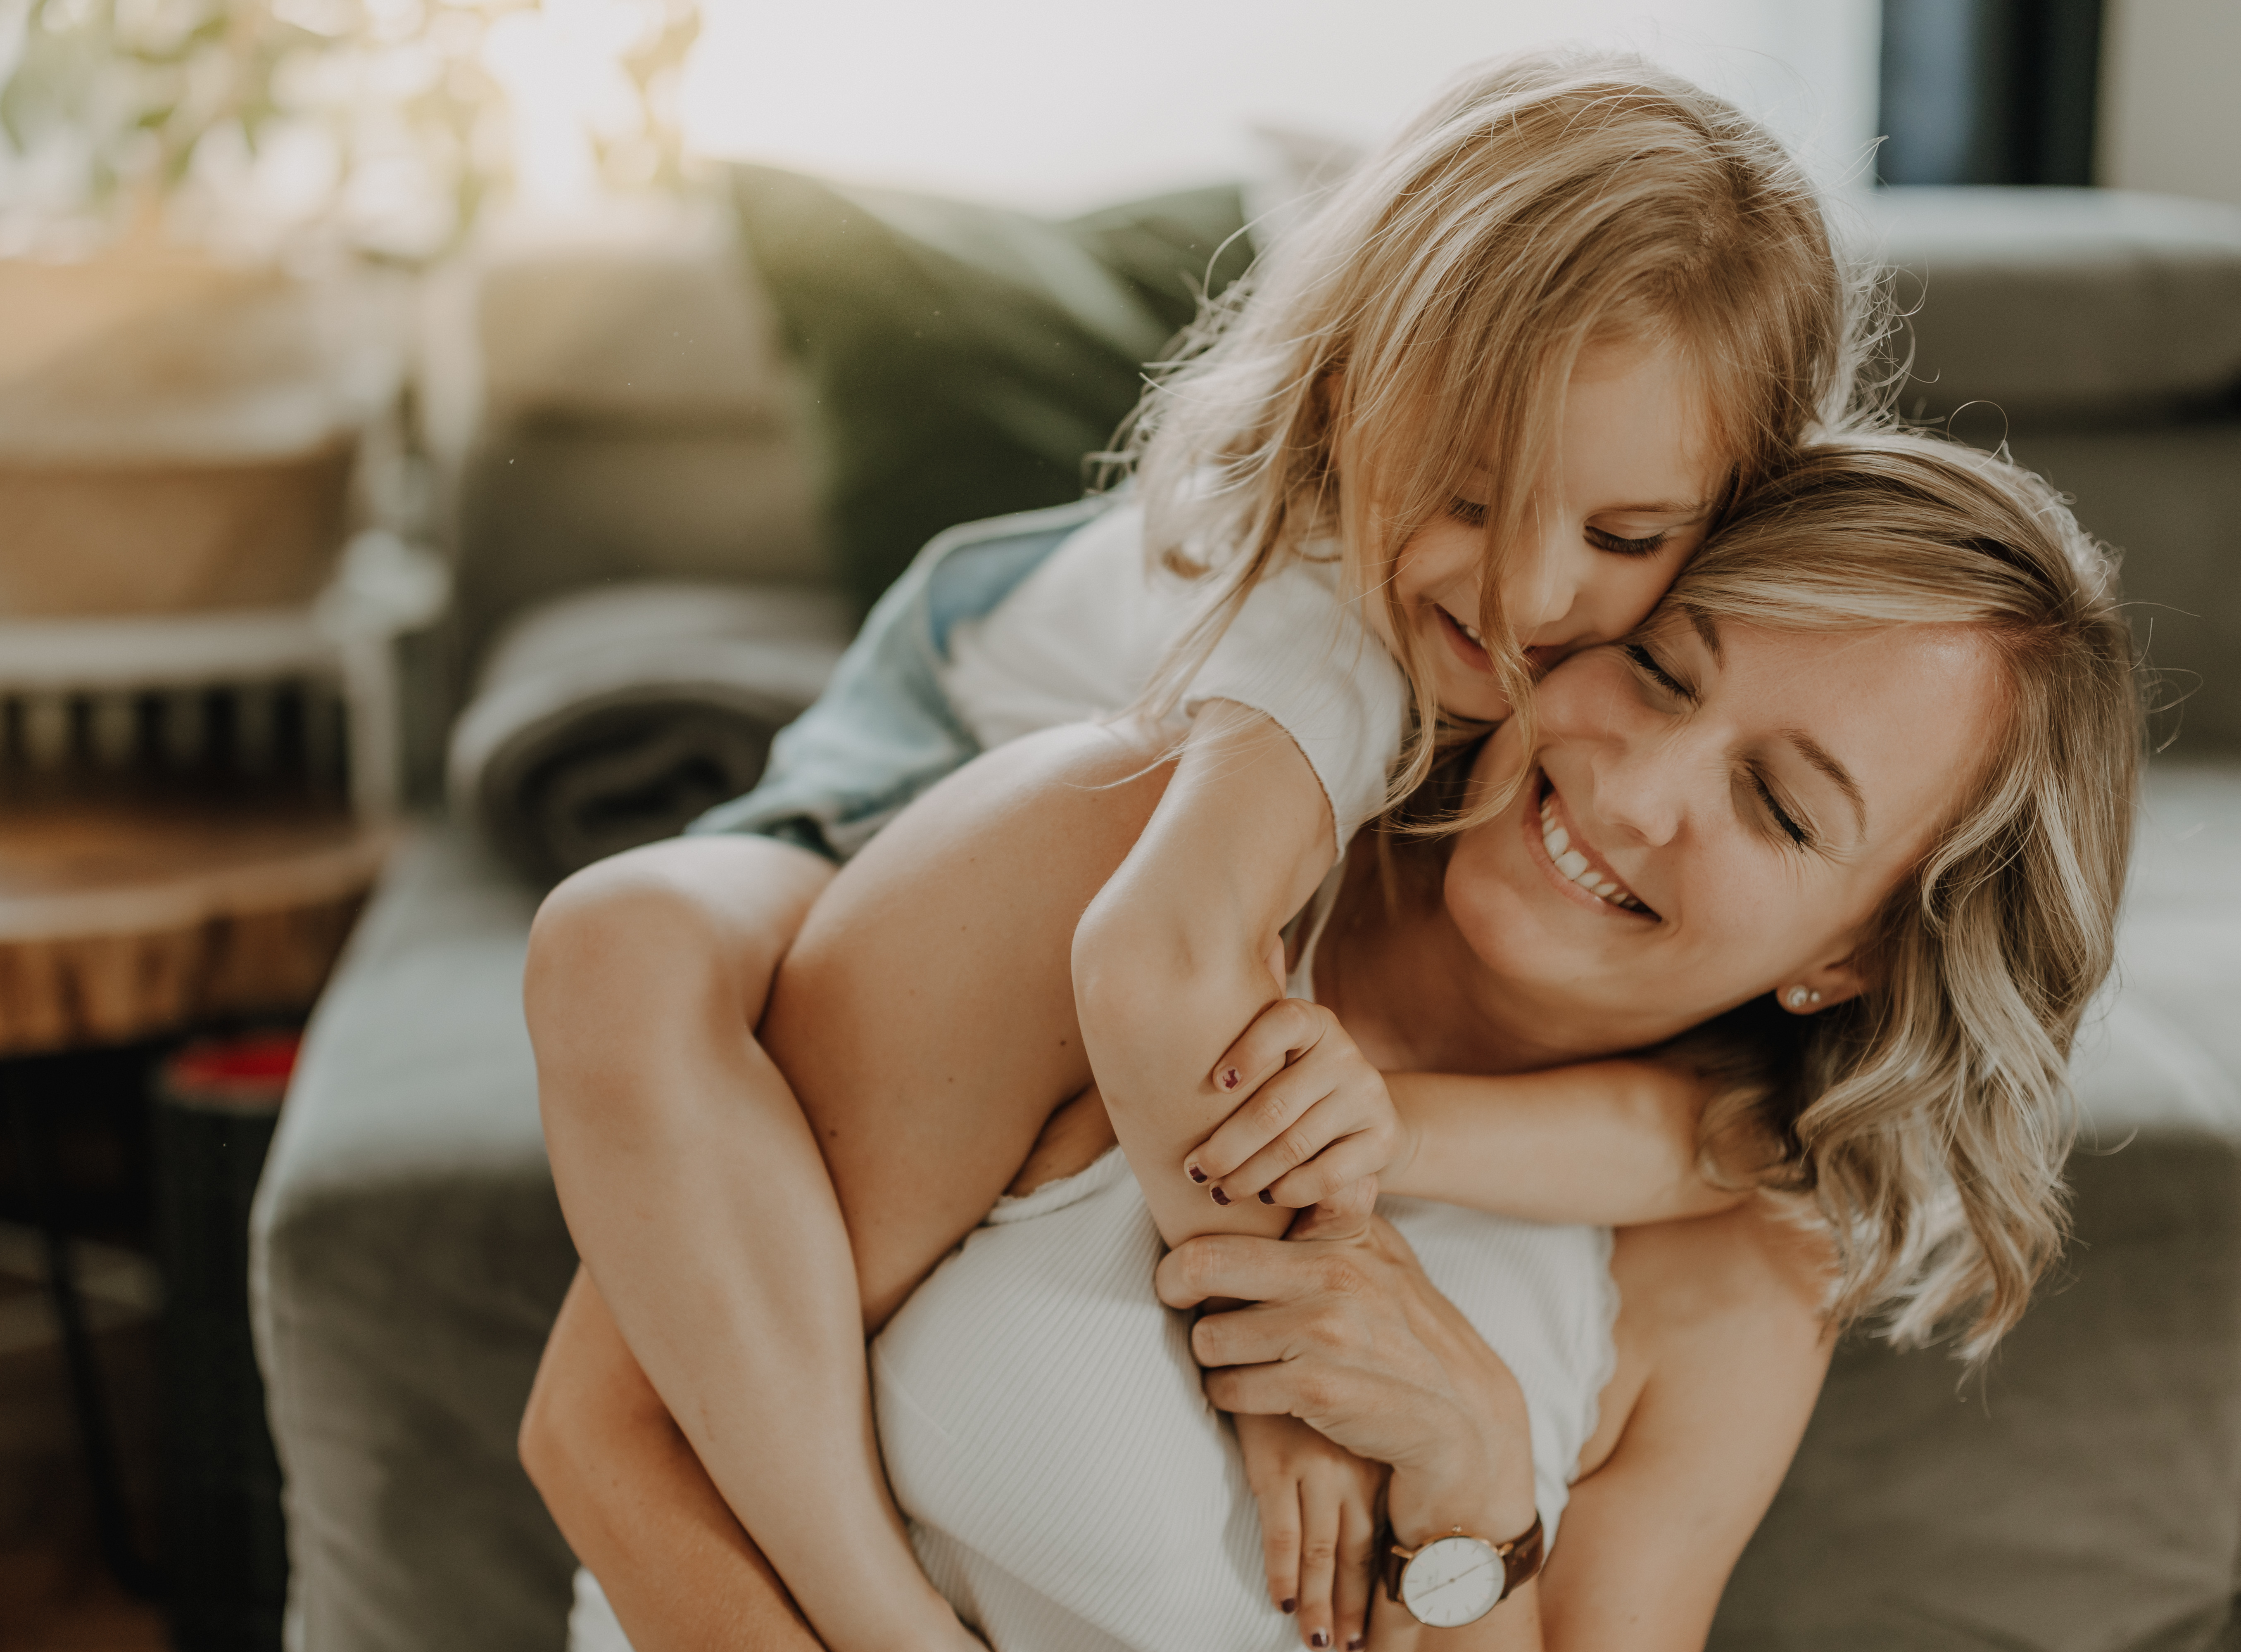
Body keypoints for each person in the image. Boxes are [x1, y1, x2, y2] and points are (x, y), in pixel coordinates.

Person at [524, 49, 1856, 1652]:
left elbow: (1708, 1139)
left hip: (1057, 768)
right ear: (1354, 388)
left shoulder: (1481, 702)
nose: (1521, 591)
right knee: (624, 942)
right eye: (1468, 494)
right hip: (905, 783)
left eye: (1626, 540)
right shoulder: (1334, 639)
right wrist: (1287, 1356)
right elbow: (1151, 955)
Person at [525, 433, 2139, 1650]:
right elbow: (620, 1444)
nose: (1637, 788)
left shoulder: (1740, 1272)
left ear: (1856, 949)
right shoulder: (1127, 864)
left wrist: (1480, 1486)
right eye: (1655, 668)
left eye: (1778, 805)